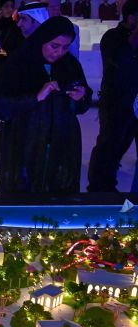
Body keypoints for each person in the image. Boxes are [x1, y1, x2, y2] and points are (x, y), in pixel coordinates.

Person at [0, 16, 92, 193]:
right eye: (54, 46)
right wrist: (36, 97)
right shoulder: (19, 63)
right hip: (25, 141)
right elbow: (0, 105)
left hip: (63, 143)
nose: (59, 52)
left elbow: (83, 105)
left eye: (65, 47)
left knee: (59, 195)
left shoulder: (70, 65)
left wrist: (81, 97)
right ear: (42, 39)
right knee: (24, 195)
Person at [87, 0, 138, 192]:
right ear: (131, 17)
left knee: (121, 146)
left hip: (136, 102)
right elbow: (120, 63)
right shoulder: (112, 37)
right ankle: (99, 187)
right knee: (109, 146)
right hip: (116, 102)